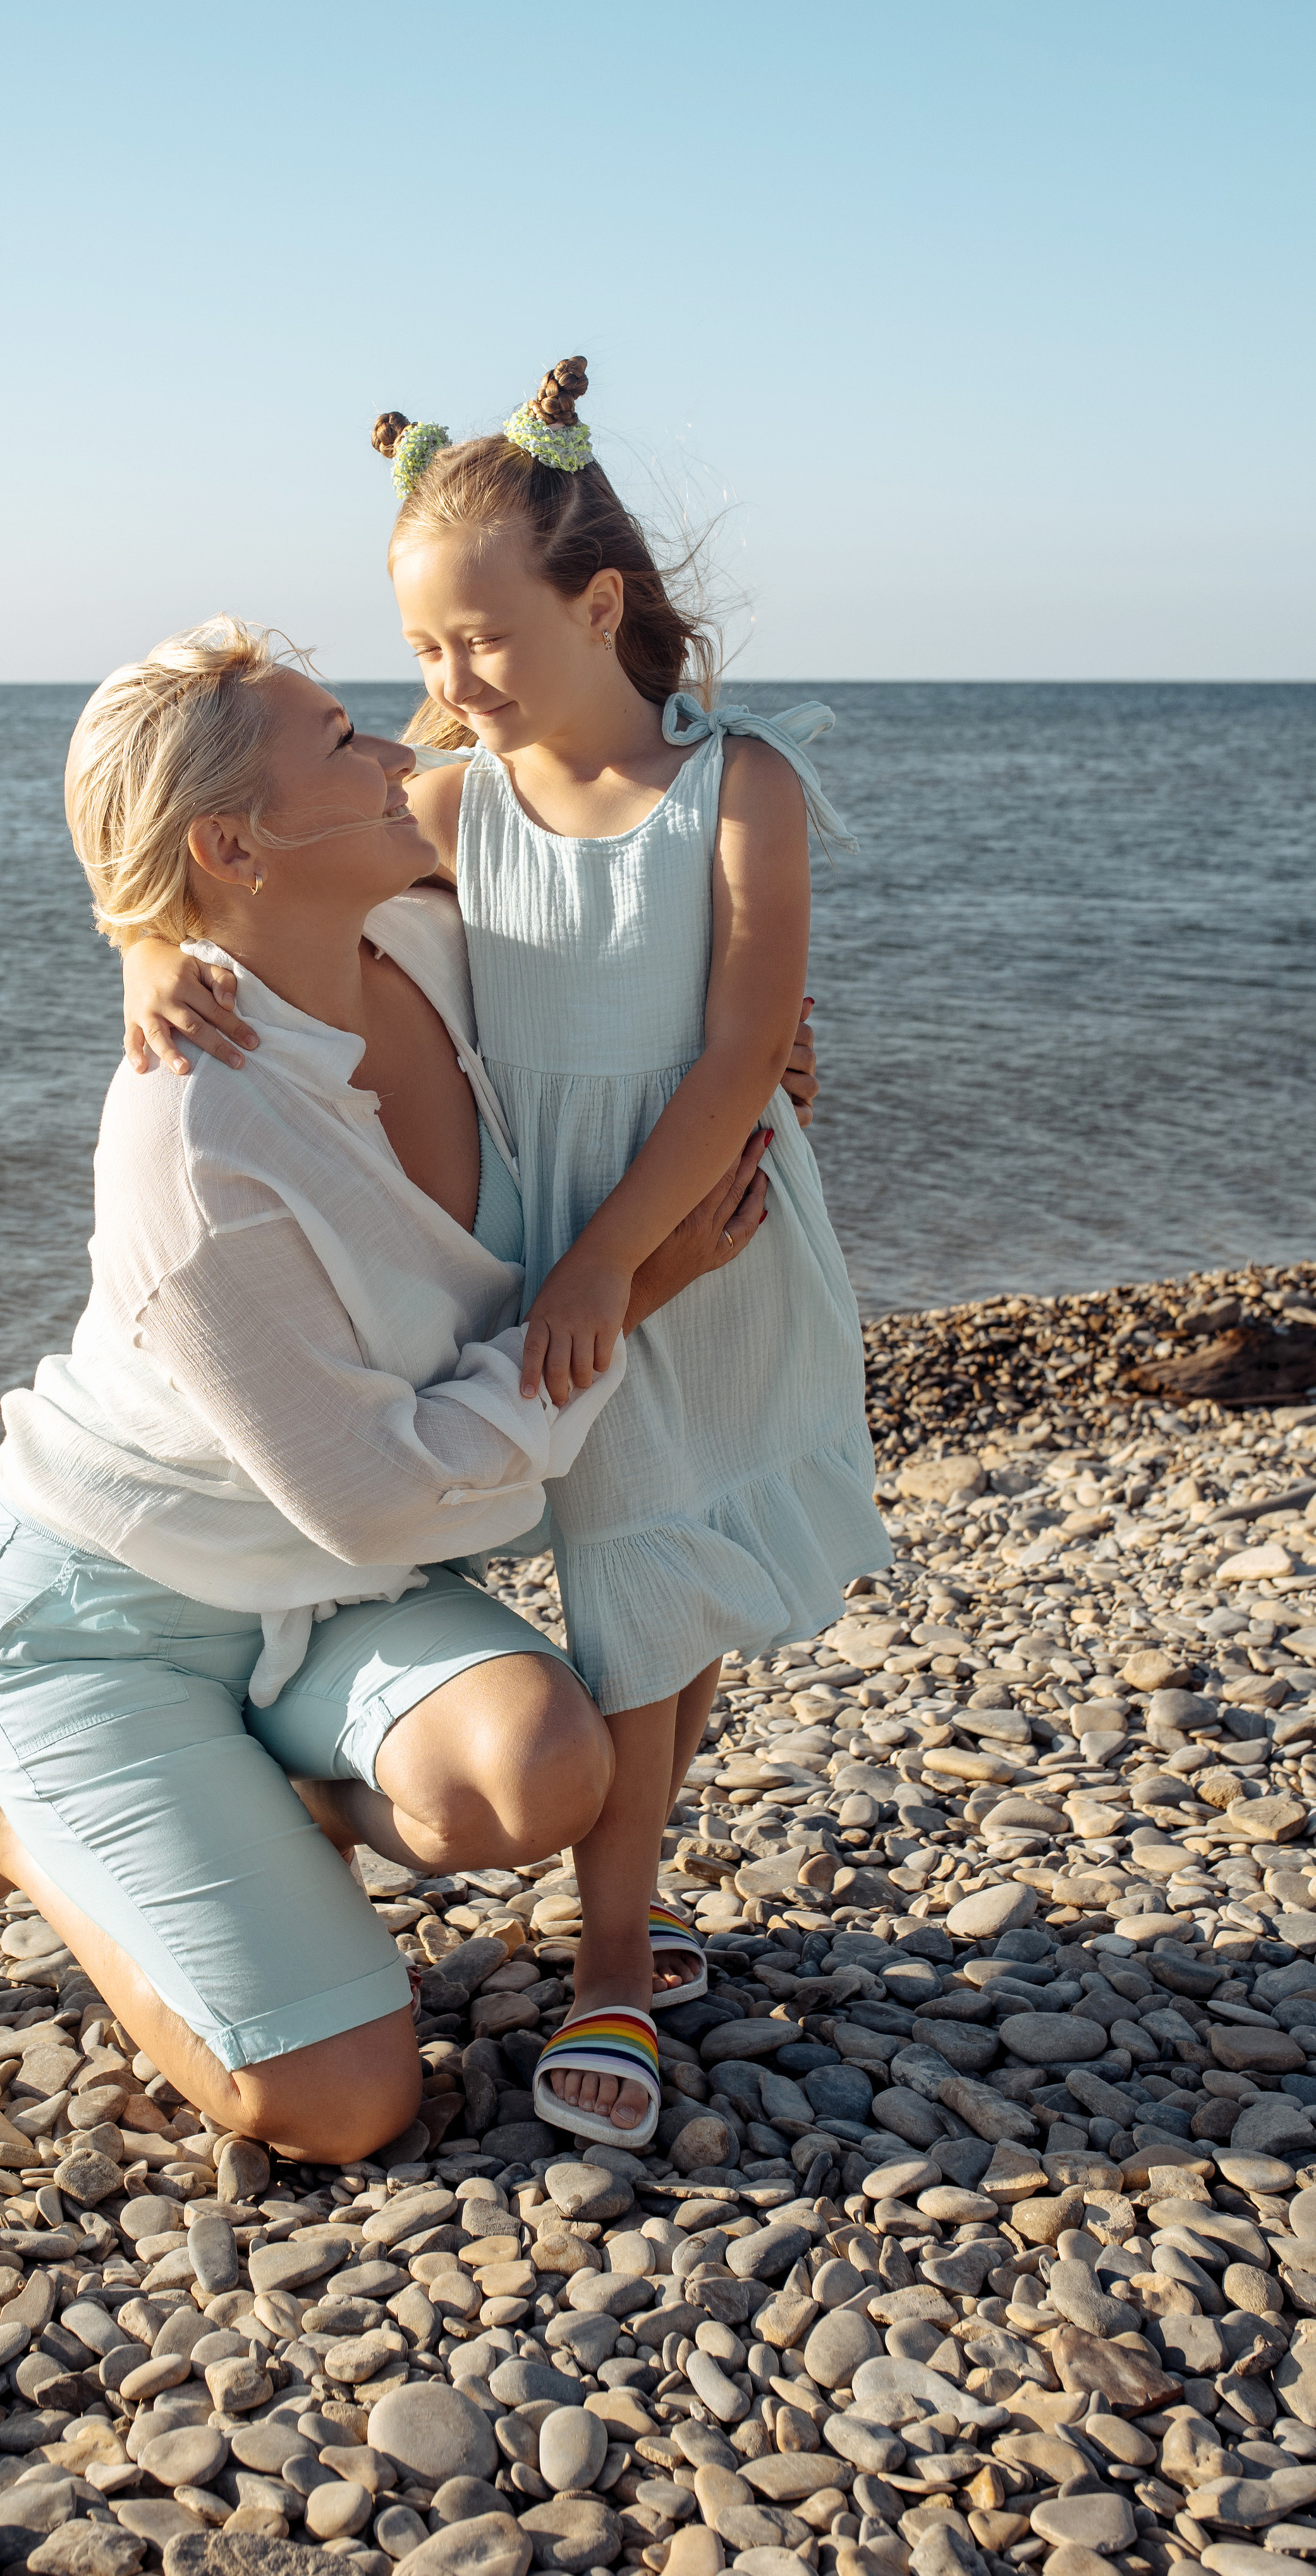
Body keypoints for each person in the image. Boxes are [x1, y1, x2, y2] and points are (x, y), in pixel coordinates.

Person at [0, 619, 773, 2167]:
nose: (404, 757)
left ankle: (242, 1813)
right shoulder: (195, 1141)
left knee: (545, 1769)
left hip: (339, 1594)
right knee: (344, 2105)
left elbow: (645, 983)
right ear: (237, 840)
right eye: (346, 745)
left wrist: (757, 1073)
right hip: (114, 1618)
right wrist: (623, 1287)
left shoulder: (423, 930)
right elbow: (375, 1490)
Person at [122, 360, 889, 2149]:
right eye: (421, 652)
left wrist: (612, 1262)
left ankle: (610, 1943)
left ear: (593, 602)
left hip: (689, 1230)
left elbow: (735, 1047)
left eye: (477, 642)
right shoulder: (456, 809)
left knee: (656, 1597)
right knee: (635, 1594)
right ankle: (603, 1930)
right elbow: (251, 914)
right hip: (550, 1248)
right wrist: (144, 954)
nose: (442, 691)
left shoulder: (738, 788)